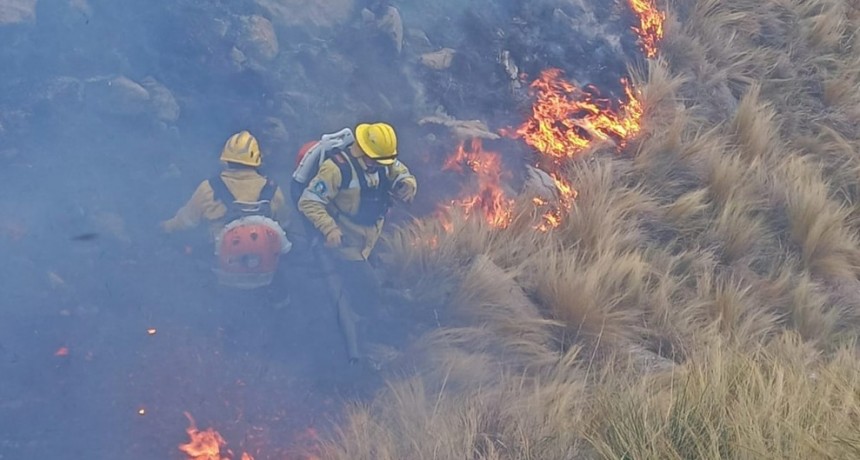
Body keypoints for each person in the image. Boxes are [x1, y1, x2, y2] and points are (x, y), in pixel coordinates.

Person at [295, 122, 417, 363]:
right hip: (347, 244)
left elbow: (401, 172)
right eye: (378, 161)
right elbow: (308, 202)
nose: (384, 166)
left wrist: (408, 185)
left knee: (370, 277)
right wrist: (329, 229)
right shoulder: (335, 170)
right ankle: (364, 336)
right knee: (368, 290)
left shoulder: (382, 160)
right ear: (362, 151)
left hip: (371, 236)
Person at [161, 130, 292, 290]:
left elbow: (187, 221)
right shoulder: (273, 190)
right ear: (257, 161)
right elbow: (284, 223)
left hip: (222, 266)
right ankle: (281, 306)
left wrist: (165, 227)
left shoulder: (208, 189)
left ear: (225, 160)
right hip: (265, 268)